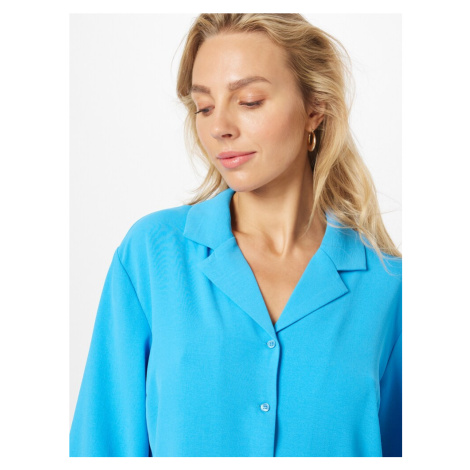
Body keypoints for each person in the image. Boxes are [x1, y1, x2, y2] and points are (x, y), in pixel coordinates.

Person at [70, 13, 401, 457]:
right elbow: (101, 447)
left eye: (249, 101)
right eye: (204, 107)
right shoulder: (152, 255)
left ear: (315, 109)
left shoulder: (389, 286)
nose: (219, 127)